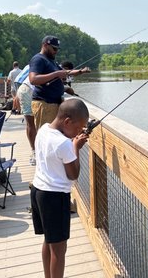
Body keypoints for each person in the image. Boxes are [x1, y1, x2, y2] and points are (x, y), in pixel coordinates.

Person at [30, 98, 90, 278]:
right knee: (59, 250)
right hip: (55, 198)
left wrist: (71, 141)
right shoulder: (64, 144)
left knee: (49, 241)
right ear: (67, 122)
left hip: (38, 191)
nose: (79, 132)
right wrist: (76, 148)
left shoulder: (43, 129)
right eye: (79, 128)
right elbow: (73, 174)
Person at [29, 36, 90, 129]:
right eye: (54, 48)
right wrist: (56, 74)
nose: (56, 51)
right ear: (45, 45)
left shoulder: (52, 61)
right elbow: (33, 79)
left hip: (54, 104)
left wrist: (81, 71)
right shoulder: (38, 59)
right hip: (44, 104)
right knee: (46, 136)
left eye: (57, 49)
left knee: (54, 135)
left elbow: (65, 73)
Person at [16, 68, 37, 166]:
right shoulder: (39, 62)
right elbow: (18, 79)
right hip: (28, 91)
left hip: (26, 90)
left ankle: (35, 151)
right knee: (31, 124)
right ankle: (35, 153)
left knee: (32, 124)